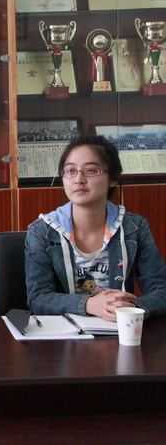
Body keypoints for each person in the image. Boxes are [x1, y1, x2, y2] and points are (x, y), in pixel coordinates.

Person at [25, 134, 166, 320]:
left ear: (113, 178)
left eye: (91, 170)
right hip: (65, 332)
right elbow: (38, 298)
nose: (78, 179)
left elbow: (161, 291)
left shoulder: (134, 227)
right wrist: (89, 304)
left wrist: (127, 309)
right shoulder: (43, 231)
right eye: (70, 171)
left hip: (117, 329)